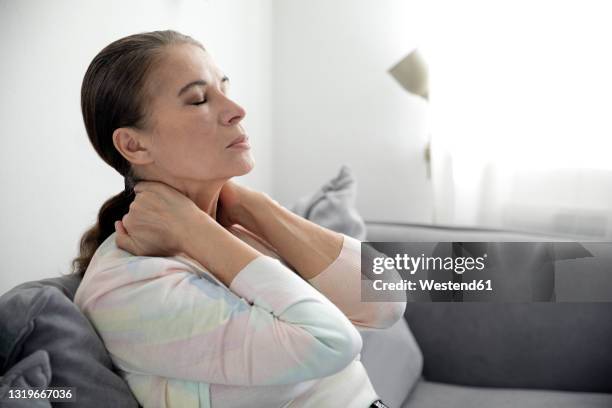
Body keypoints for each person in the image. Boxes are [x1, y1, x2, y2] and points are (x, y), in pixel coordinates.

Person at [72, 30, 406, 408]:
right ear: (134, 144)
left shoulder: (239, 227)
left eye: (224, 87)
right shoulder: (124, 287)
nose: (236, 109)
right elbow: (332, 343)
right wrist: (193, 229)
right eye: (198, 100)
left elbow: (385, 300)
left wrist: (253, 206)